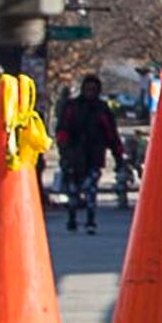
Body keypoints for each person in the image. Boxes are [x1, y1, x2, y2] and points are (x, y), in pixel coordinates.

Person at [52, 73, 122, 236]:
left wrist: (118, 155)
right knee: (73, 189)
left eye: (94, 89)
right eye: (88, 88)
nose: (90, 92)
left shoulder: (101, 109)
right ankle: (72, 218)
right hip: (74, 155)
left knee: (90, 189)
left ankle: (90, 219)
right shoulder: (71, 107)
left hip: (94, 155)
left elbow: (111, 134)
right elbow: (62, 130)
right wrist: (64, 151)